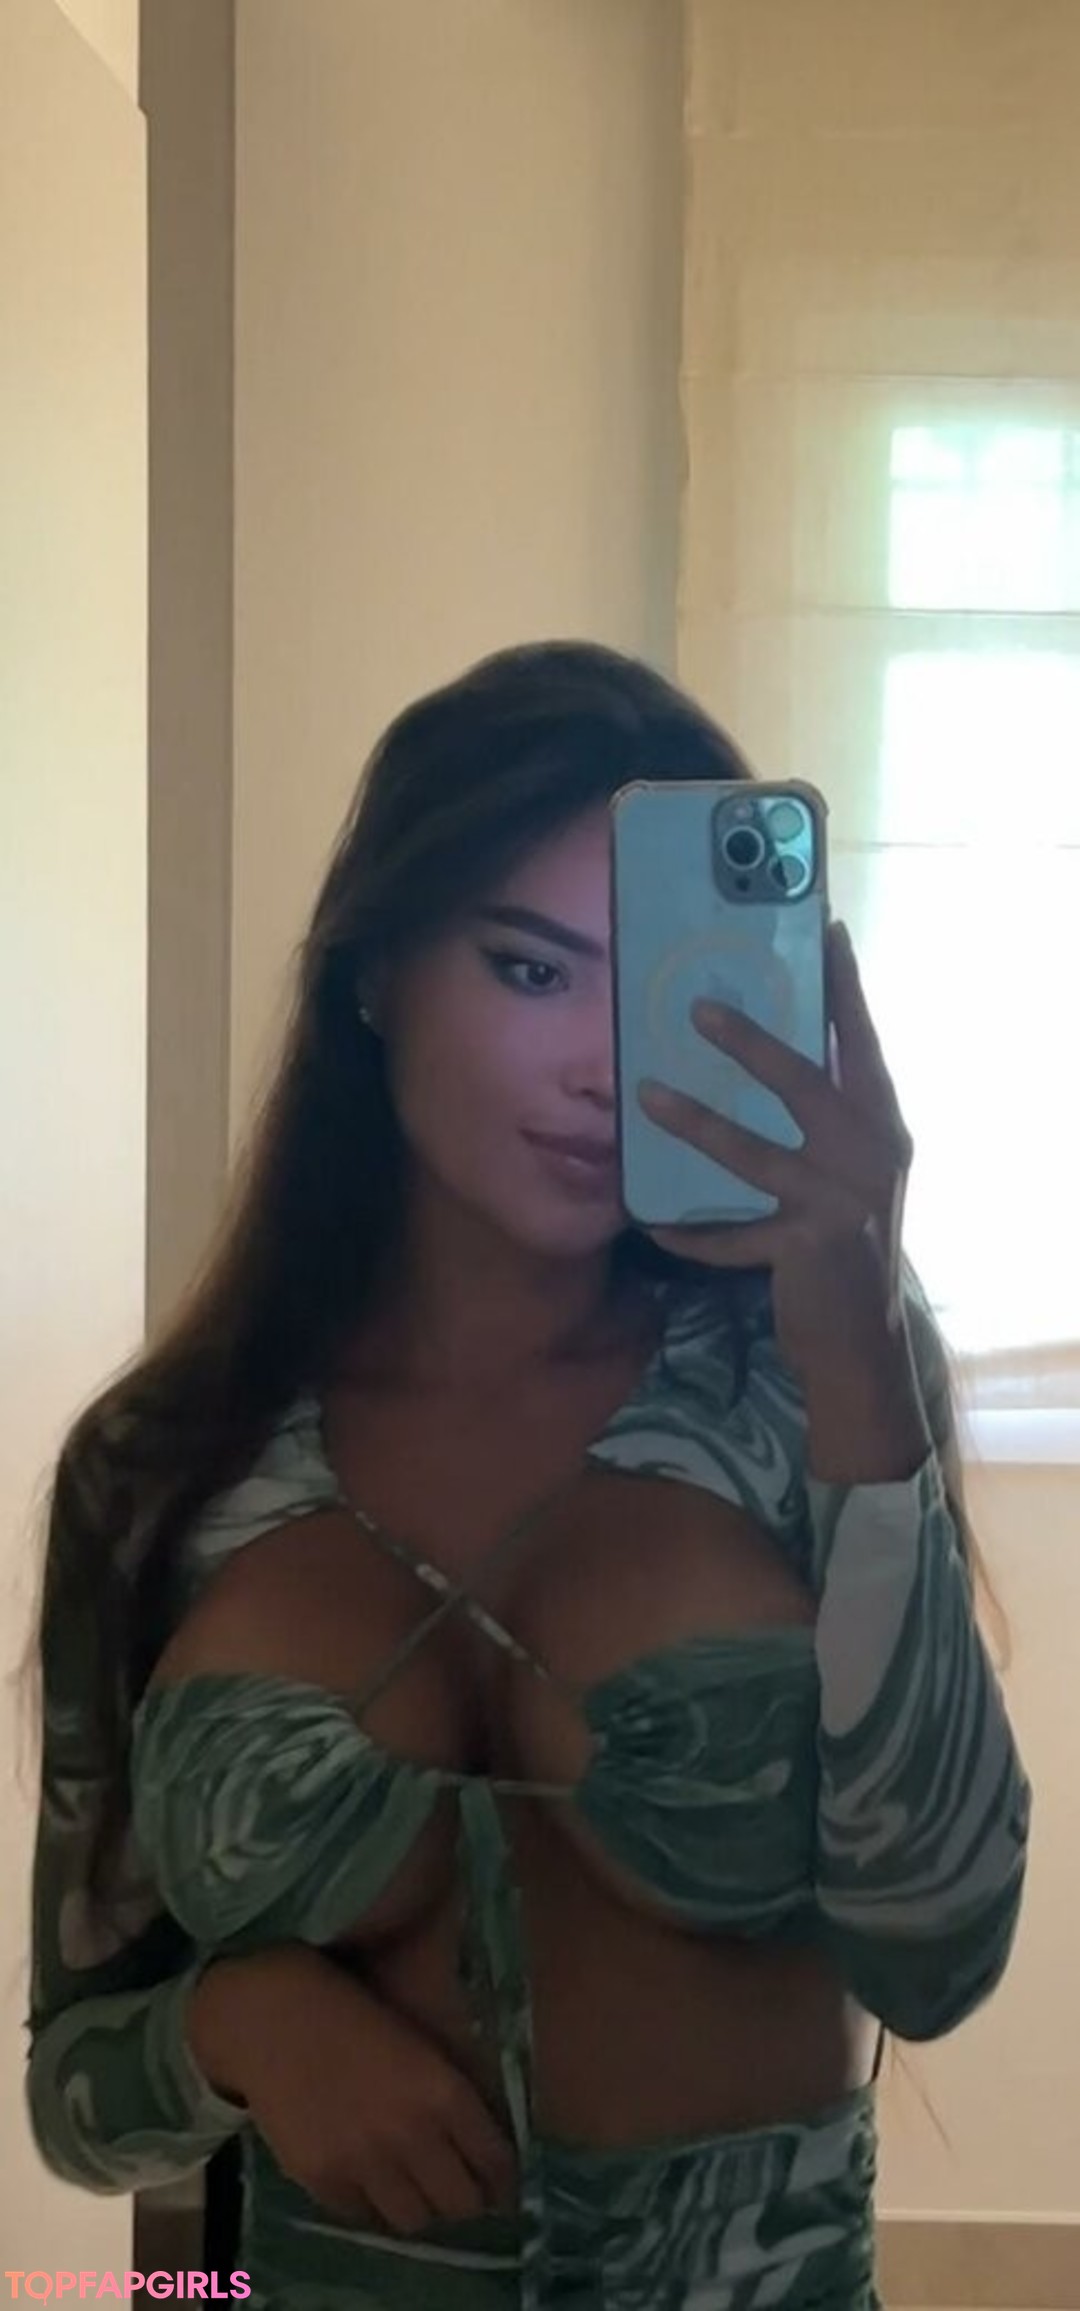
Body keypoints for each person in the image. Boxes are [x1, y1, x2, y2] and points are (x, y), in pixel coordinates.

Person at [21, 640, 1030, 2310]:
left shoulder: (802, 1379)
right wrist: (237, 2021)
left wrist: (857, 1350)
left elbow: (941, 1951)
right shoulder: (168, 1467)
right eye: (531, 968)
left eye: (658, 990)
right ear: (372, 971)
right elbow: (75, 2099)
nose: (601, 1068)